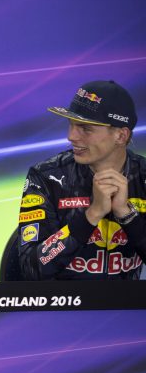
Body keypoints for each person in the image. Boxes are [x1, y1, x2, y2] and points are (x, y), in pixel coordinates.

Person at [17, 80, 145, 280]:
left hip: (127, 308)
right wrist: (91, 215)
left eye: (86, 128)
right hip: (63, 307)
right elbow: (31, 268)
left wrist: (127, 215)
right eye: (71, 125)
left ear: (121, 135)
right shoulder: (47, 177)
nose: (71, 136)